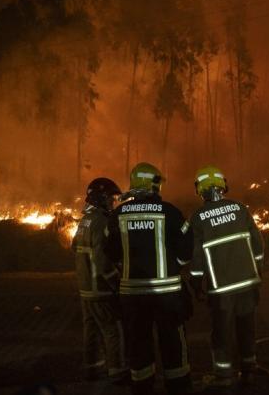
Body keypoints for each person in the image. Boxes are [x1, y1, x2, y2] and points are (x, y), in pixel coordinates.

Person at [105, 163, 193, 395]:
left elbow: (111, 252)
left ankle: (142, 387)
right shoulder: (170, 212)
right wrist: (176, 267)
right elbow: (186, 251)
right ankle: (178, 387)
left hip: (132, 296)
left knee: (138, 344)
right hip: (167, 295)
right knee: (172, 342)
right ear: (154, 184)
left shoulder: (117, 214)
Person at [188, 166, 264, 390]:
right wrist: (258, 270)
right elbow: (258, 245)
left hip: (221, 288)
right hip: (248, 282)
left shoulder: (199, 217)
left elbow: (196, 254)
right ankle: (249, 370)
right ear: (223, 186)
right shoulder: (240, 208)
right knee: (246, 327)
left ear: (200, 191)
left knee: (221, 332)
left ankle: (224, 375)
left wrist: (195, 281)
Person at [72, 177, 128, 383]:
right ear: (101, 198)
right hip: (101, 288)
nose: (114, 203)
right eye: (111, 199)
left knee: (91, 329)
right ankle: (118, 371)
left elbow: (73, 247)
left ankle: (92, 368)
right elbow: (102, 259)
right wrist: (116, 283)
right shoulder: (101, 222)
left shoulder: (84, 221)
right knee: (112, 328)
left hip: (85, 287)